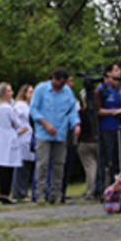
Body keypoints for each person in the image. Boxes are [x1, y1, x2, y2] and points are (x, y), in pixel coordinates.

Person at [29, 69, 81, 205]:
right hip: (43, 133)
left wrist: (76, 124)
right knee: (43, 164)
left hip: (61, 133)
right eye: (59, 83)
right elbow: (33, 109)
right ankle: (40, 194)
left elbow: (72, 110)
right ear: (53, 78)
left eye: (63, 83)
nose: (61, 86)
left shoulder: (67, 92)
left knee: (59, 164)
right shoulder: (41, 89)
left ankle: (56, 194)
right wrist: (45, 124)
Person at [95, 62, 121, 193]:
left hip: (118, 128)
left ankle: (118, 187)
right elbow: (97, 110)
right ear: (108, 73)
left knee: (118, 161)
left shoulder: (120, 89)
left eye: (119, 69)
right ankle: (99, 189)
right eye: (115, 70)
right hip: (106, 129)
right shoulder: (102, 89)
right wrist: (114, 111)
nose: (119, 72)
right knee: (104, 161)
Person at [0, 82, 26, 205]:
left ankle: (3, 192)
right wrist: (17, 126)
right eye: (10, 91)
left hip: (2, 138)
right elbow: (17, 122)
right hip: (9, 137)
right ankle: (6, 193)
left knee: (3, 166)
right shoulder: (7, 108)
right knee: (8, 167)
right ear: (4, 94)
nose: (12, 93)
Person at [76, 75, 101, 201]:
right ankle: (102, 188)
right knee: (102, 166)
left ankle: (91, 191)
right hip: (96, 140)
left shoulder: (80, 113)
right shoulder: (97, 112)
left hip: (84, 142)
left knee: (90, 167)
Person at [11, 84, 36, 202]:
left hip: (30, 139)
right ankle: (19, 192)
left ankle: (24, 192)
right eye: (30, 92)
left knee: (27, 166)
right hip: (22, 138)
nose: (32, 94)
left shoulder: (31, 105)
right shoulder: (19, 106)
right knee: (21, 167)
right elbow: (13, 120)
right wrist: (19, 130)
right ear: (24, 93)